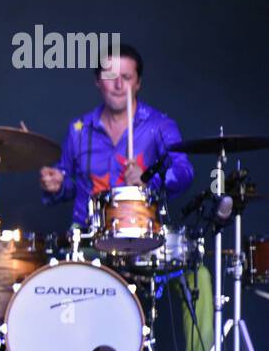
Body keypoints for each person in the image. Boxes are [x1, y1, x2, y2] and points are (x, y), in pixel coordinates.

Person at [39, 44, 193, 226]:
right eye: (110, 76)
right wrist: (57, 185)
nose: (119, 85)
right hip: (88, 236)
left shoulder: (160, 126)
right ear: (97, 81)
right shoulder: (79, 130)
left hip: (141, 233)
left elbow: (185, 172)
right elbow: (71, 185)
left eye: (126, 77)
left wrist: (149, 179)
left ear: (138, 83)